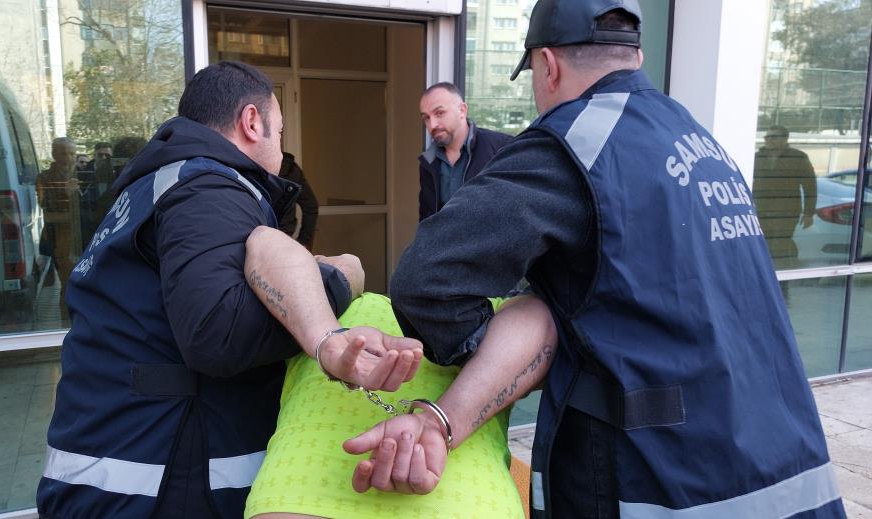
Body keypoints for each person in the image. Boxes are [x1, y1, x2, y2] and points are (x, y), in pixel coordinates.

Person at [357, 2, 846, 518]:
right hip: (787, 467)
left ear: (548, 65)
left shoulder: (572, 143)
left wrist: (507, 343)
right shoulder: (698, 138)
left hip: (663, 481)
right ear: (633, 55)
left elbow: (424, 281)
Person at [37, 61, 422, 519]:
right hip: (159, 476)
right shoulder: (210, 184)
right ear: (252, 122)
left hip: (113, 466)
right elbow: (218, 332)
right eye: (279, 130)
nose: (280, 147)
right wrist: (338, 281)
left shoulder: (156, 183)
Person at [240, 226, 557, 519]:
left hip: (306, 496)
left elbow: (540, 315)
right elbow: (265, 241)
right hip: (304, 498)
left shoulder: (495, 316)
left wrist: (438, 422)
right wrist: (329, 332)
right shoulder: (314, 318)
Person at [417, 82, 512, 221]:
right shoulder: (428, 161)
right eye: (426, 117)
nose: (432, 125)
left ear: (462, 110)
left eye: (440, 113)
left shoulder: (502, 148)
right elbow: (426, 218)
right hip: (446, 242)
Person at [753, 125, 817, 267]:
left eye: (773, 136)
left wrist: (809, 213)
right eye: (767, 137)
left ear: (785, 139)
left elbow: (810, 186)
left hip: (786, 212)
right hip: (761, 210)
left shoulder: (798, 157)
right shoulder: (757, 157)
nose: (769, 140)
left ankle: (782, 280)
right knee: (762, 245)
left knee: (779, 246)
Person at [37, 136, 82, 318]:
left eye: (72, 153)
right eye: (64, 153)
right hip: (60, 237)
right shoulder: (45, 177)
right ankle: (67, 322)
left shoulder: (83, 173)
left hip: (83, 234)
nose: (69, 158)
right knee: (67, 283)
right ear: (54, 154)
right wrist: (65, 194)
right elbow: (44, 206)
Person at [277, 152, 319, 249]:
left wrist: (303, 240)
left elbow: (311, 206)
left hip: (254, 238)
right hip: (284, 238)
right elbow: (311, 205)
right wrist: (303, 241)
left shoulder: (248, 167)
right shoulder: (290, 168)